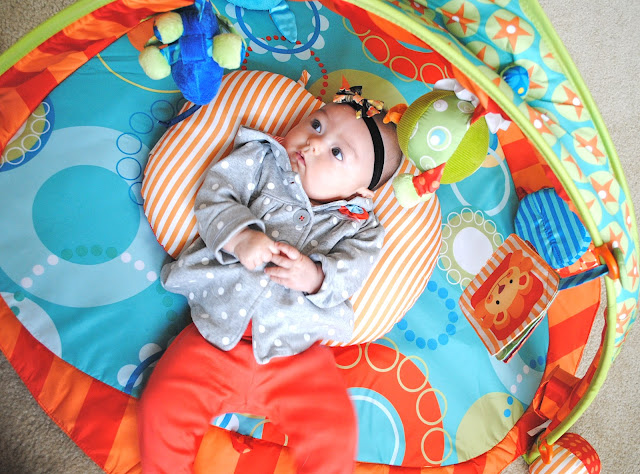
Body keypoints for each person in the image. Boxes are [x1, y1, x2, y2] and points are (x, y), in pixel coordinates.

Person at [137, 87, 403, 474]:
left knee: (335, 428)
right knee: (164, 403)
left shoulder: (360, 227)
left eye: (337, 152)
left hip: (295, 358)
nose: (313, 143)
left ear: (361, 190)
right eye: (316, 124)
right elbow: (216, 195)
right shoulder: (262, 159)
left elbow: (352, 274)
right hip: (212, 340)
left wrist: (315, 276)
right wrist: (241, 237)